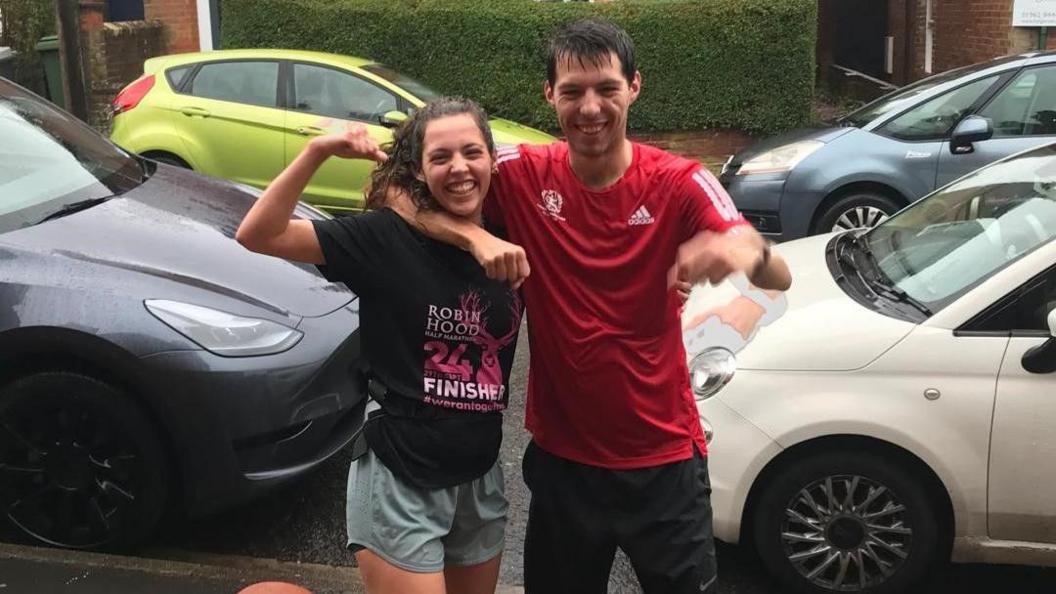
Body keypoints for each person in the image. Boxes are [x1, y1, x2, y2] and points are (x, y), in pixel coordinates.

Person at [386, 18, 792, 594]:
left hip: (663, 461)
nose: (590, 107)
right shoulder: (521, 174)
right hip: (563, 465)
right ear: (550, 95)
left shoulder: (680, 181)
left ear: (634, 87)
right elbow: (397, 188)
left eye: (606, 87)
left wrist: (741, 248)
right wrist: (476, 237)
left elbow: (778, 272)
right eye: (573, 91)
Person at [235, 98, 524, 594]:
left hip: (479, 474)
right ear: (418, 168)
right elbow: (259, 234)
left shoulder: (511, 234)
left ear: (492, 158)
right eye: (440, 157)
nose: (459, 168)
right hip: (400, 473)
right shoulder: (383, 239)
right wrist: (318, 151)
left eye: (472, 152)